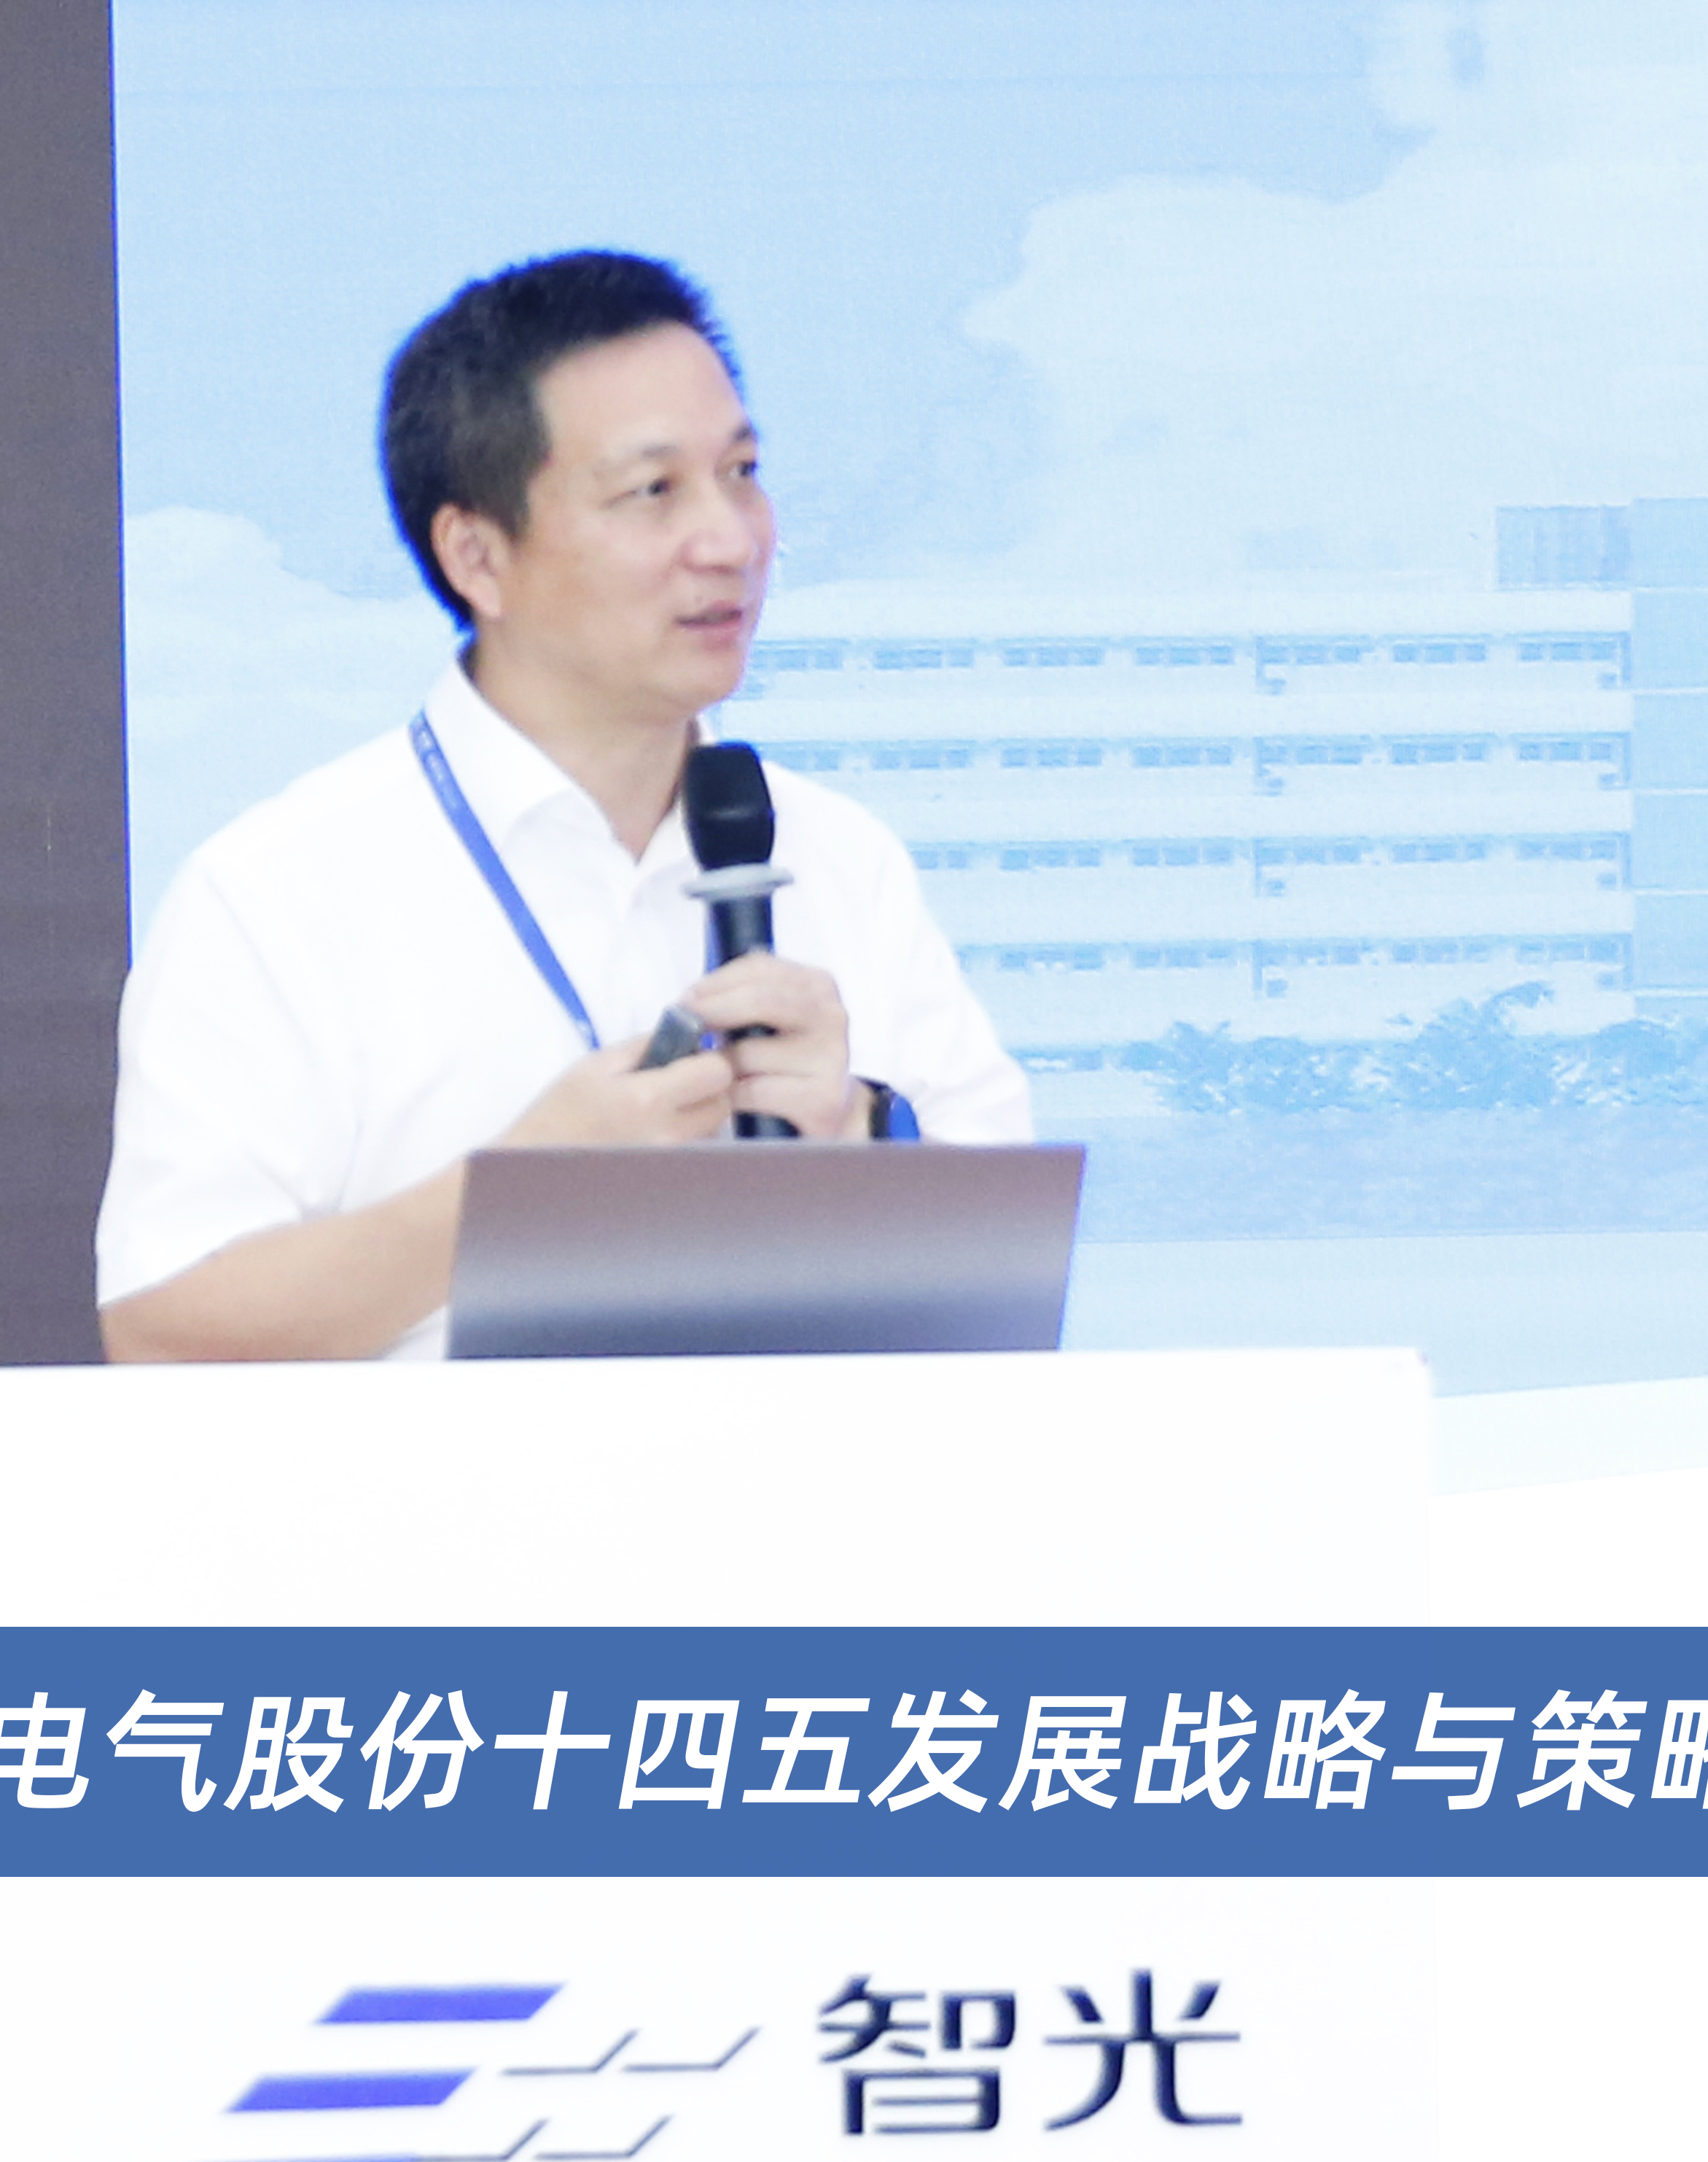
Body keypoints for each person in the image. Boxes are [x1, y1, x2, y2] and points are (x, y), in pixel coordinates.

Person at [96, 251, 1030, 1361]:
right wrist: (513, 1197)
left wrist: (864, 1133)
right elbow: (164, 1331)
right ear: (478, 556)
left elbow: (1010, 1293)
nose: (731, 540)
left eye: (741, 472)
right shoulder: (281, 889)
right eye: (653, 492)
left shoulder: (842, 857)